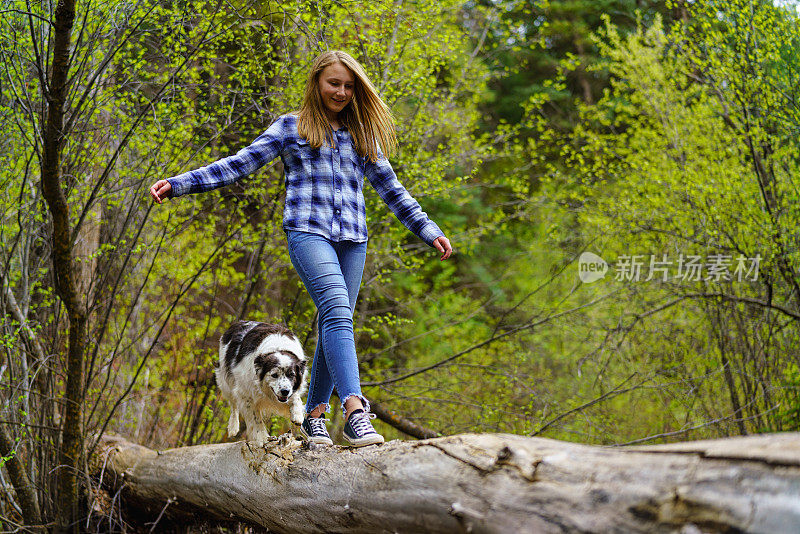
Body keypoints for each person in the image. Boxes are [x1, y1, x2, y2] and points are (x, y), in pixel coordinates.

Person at [149, 50, 452, 447]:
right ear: (317, 84)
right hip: (308, 234)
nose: (341, 92)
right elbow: (239, 164)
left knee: (334, 321)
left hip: (353, 240)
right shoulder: (292, 128)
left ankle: (313, 416)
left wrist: (428, 229)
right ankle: (356, 411)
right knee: (338, 310)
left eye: (348, 86)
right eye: (334, 84)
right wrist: (181, 182)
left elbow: (393, 191)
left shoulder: (364, 136)